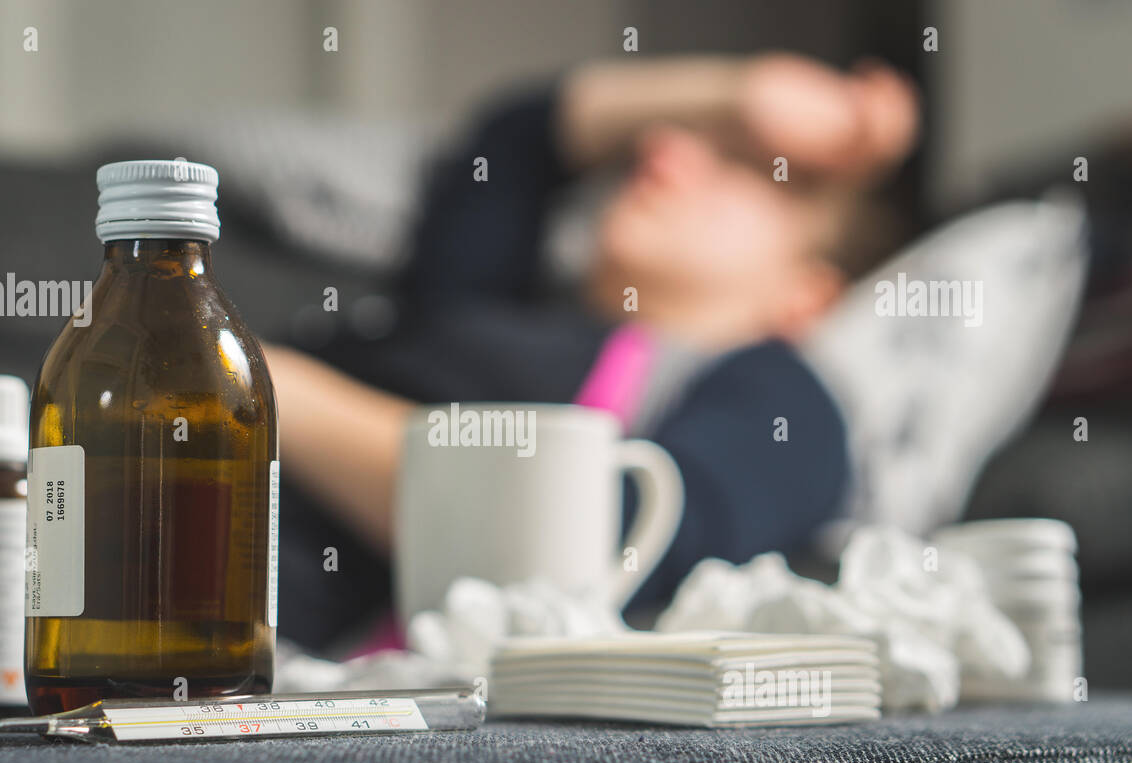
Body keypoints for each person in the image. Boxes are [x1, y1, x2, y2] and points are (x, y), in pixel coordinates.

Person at [270, 53, 920, 652]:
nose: (663, 153)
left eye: (737, 167)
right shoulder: (492, 307)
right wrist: (738, 96)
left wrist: (252, 384)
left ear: (806, 295)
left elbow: (602, 546)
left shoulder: (783, 396)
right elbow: (517, 139)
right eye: (682, 139)